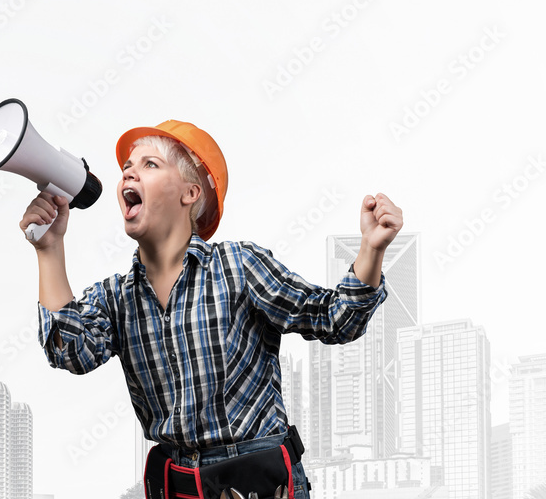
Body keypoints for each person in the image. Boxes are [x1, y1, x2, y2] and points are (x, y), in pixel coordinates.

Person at [20, 120, 403, 499]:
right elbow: (69, 350)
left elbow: (335, 320)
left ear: (190, 192)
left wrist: (372, 249)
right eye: (126, 168)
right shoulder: (116, 297)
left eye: (149, 165)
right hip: (177, 484)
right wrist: (50, 250)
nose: (129, 174)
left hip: (260, 482)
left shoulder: (239, 266)